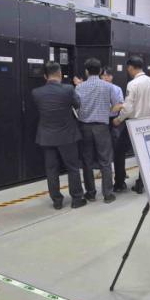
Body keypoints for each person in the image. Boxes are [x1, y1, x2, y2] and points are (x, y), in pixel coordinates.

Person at [32, 61, 87, 210]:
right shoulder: (68, 89)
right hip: (67, 136)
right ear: (60, 74)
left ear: (45, 76)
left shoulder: (36, 92)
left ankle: (57, 200)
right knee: (72, 168)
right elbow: (77, 105)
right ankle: (77, 199)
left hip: (46, 136)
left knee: (51, 169)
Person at [75, 58, 121, 204]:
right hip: (102, 127)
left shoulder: (79, 87)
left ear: (86, 71)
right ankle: (108, 194)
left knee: (87, 161)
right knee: (105, 160)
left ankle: (90, 193)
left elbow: (76, 107)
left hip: (85, 127)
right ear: (100, 71)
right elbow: (117, 105)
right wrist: (106, 112)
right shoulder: (108, 86)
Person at [112, 56, 150, 194]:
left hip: (134, 124)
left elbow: (128, 108)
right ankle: (141, 184)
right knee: (144, 154)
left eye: (128, 68)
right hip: (149, 123)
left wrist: (118, 119)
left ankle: (119, 183)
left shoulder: (133, 84)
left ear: (131, 67)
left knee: (119, 151)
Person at [101, 66, 125, 142]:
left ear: (112, 76)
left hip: (112, 118)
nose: (106, 77)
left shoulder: (117, 89)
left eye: (108, 75)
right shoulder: (97, 88)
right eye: (104, 75)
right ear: (101, 76)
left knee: (113, 139)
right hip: (100, 119)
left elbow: (120, 104)